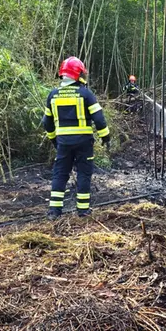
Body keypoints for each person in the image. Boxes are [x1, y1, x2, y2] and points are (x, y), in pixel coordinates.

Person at [42, 57, 110, 219]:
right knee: (84, 173)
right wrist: (105, 137)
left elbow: (46, 122)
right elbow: (99, 119)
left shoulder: (53, 95)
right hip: (83, 142)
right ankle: (83, 211)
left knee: (60, 173)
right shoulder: (85, 94)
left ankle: (54, 211)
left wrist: (54, 140)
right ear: (78, 74)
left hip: (63, 143)